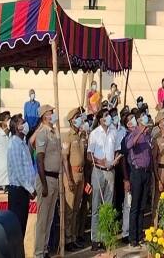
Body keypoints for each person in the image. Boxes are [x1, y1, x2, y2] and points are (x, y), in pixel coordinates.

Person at [87, 108, 118, 251]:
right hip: (98, 171)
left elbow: (117, 150)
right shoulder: (94, 134)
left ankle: (105, 237)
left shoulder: (113, 132)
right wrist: (100, 161)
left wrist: (115, 160)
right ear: (100, 119)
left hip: (110, 171)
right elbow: (89, 155)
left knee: (108, 205)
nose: (109, 118)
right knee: (96, 205)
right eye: (106, 116)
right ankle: (95, 238)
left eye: (109, 115)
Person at [34, 105, 62, 258]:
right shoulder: (42, 134)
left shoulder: (53, 133)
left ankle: (44, 249)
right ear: (45, 116)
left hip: (55, 178)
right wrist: (44, 184)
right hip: (46, 178)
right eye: (51, 113)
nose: (53, 114)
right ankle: (38, 252)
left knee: (50, 217)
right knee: (42, 218)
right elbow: (39, 159)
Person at [123, 112, 151, 247]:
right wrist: (139, 132)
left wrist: (145, 132)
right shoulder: (132, 134)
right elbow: (129, 146)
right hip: (136, 172)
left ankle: (140, 235)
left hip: (146, 172)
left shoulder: (147, 135)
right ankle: (132, 237)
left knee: (142, 206)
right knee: (135, 206)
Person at [62, 108, 87, 252]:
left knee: (76, 208)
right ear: (72, 120)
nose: (80, 119)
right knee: (70, 208)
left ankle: (73, 236)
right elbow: (65, 158)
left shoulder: (79, 136)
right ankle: (67, 238)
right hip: (71, 174)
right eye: (77, 117)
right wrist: (69, 179)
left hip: (81, 174)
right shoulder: (68, 136)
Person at [7, 114, 35, 240]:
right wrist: (30, 188)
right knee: (16, 228)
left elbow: (28, 168)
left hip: (24, 191)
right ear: (17, 127)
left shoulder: (23, 143)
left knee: (22, 227)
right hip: (18, 191)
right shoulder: (14, 144)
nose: (25, 124)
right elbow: (19, 173)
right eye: (22, 122)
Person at [0, 111, 11, 190]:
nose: (9, 121)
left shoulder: (13, 136)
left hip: (11, 180)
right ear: (2, 122)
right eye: (8, 119)